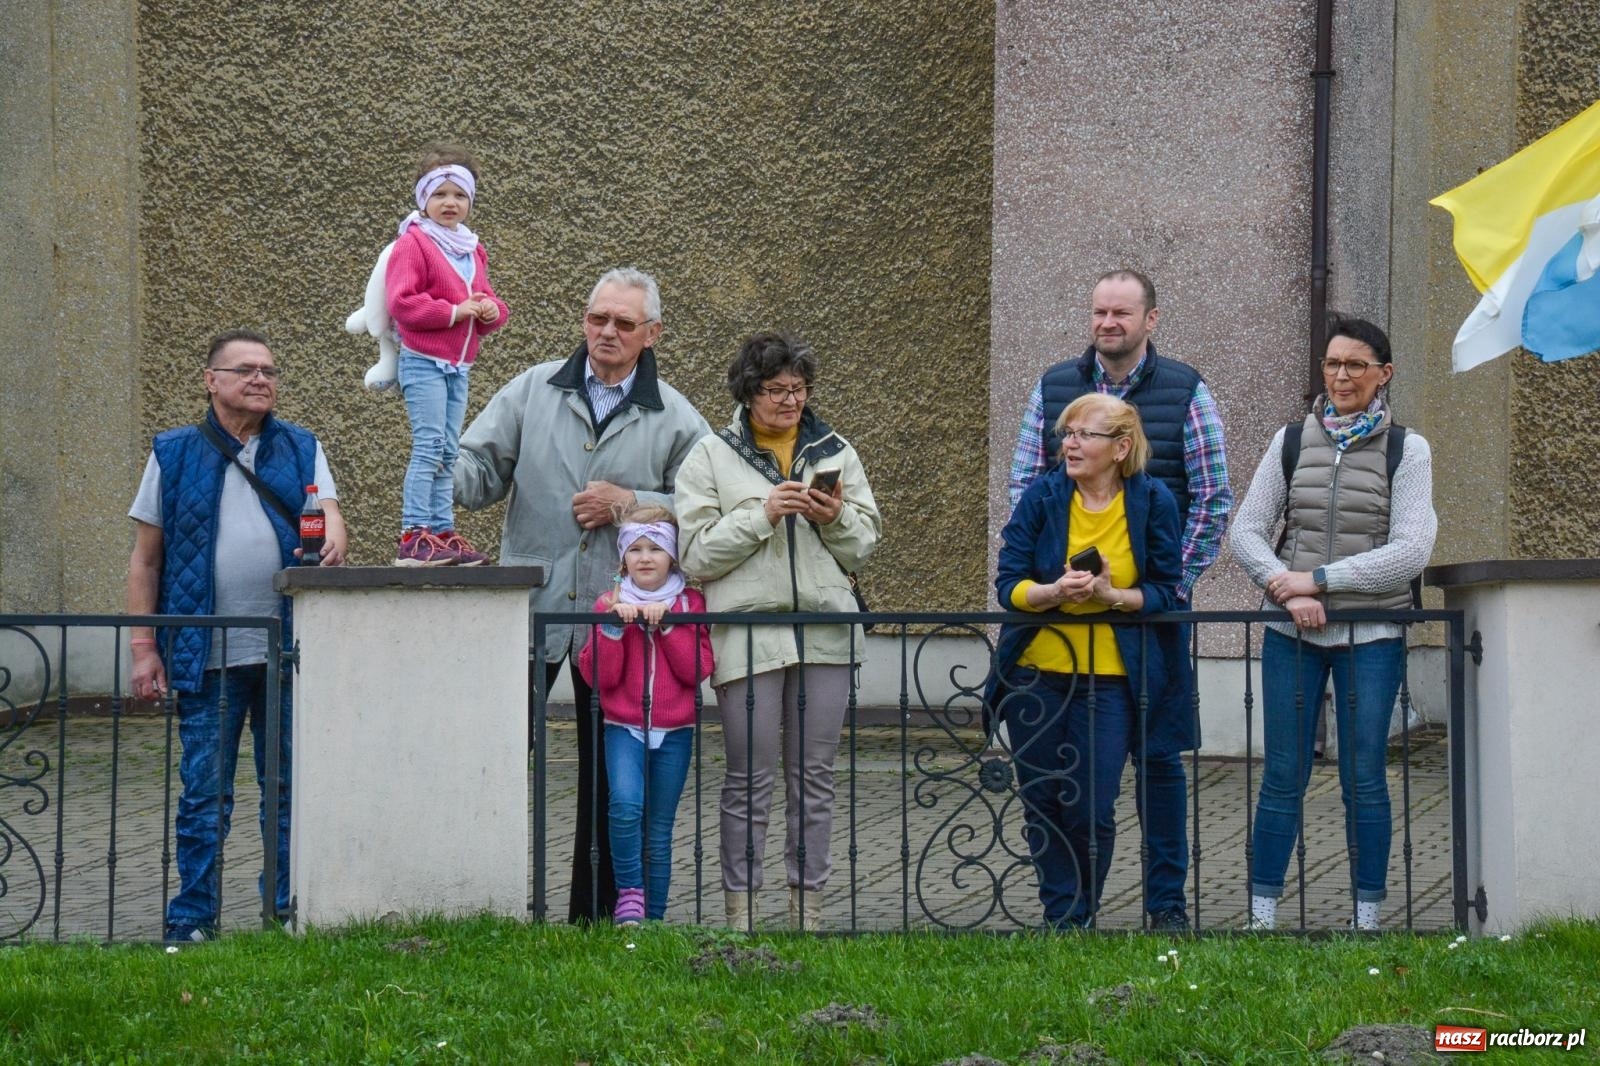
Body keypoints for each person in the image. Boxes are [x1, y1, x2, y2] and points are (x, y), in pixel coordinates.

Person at [454, 267, 710, 923]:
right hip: (531, 610)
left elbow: (708, 505)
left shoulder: (675, 415)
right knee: (495, 759)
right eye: (598, 318)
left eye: (624, 323)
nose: (607, 332)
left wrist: (632, 502)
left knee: (608, 778)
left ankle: (595, 919)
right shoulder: (532, 390)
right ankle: (473, 904)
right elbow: (477, 471)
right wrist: (434, 456)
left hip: (621, 620)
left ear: (652, 334)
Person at [1006, 268, 1231, 931]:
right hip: (1058, 629)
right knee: (1067, 784)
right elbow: (1025, 487)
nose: (1108, 323)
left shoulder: (1185, 389)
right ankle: (1071, 913)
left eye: (1122, 313)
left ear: (1149, 320)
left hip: (1147, 623)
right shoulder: (1055, 386)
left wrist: (1160, 590)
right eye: (1099, 311)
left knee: (1158, 767)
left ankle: (1166, 906)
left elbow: (1211, 498)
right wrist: (1050, 582)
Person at [126, 329, 348, 943]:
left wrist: (334, 541)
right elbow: (146, 560)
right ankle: (193, 920)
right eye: (246, 369)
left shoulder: (301, 446)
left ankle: (284, 914)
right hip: (208, 655)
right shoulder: (173, 453)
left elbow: (330, 515)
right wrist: (144, 648)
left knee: (287, 793)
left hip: (289, 654)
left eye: (269, 371)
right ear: (211, 380)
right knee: (204, 796)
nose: (260, 379)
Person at [1229, 314, 1436, 931]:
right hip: (1291, 634)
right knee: (1282, 774)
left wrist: (1317, 580)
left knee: (1364, 776)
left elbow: (1411, 551)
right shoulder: (1291, 440)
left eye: (1355, 365)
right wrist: (1284, 588)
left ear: (1383, 374)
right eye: (1332, 364)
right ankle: (1261, 917)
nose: (1341, 375)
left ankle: (1365, 919)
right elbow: (1246, 531)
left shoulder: (1408, 450)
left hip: (1371, 636)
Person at [674, 330, 883, 931]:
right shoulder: (710, 455)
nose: (791, 401)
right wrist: (762, 515)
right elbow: (695, 555)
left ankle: (806, 911)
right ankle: (740, 913)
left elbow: (865, 544)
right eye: (776, 390)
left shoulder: (835, 449)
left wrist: (835, 517)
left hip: (825, 629)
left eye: (799, 389)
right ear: (748, 392)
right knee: (748, 776)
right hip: (746, 631)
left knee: (814, 777)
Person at [991, 393, 1190, 930]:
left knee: (1090, 805)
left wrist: (1112, 596)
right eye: (1067, 434)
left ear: (1121, 447)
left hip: (1111, 680)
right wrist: (1052, 592)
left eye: (1084, 434)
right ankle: (1065, 916)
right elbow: (1008, 583)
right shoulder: (1043, 496)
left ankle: (1082, 906)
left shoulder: (1152, 500)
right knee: (1042, 800)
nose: (1070, 444)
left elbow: (1167, 590)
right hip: (1036, 675)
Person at [577, 505, 713, 926]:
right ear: (623, 559)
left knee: (658, 828)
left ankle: (653, 919)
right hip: (624, 727)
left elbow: (696, 669)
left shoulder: (690, 603)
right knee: (624, 806)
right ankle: (631, 896)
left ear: (672, 556)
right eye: (635, 549)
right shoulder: (610, 602)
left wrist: (668, 626)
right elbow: (599, 676)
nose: (645, 557)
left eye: (656, 548)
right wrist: (613, 628)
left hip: (675, 731)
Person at [386, 142, 509, 566]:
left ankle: (441, 531)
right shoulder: (414, 243)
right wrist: (456, 311)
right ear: (423, 198)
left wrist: (491, 311)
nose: (450, 202)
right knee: (429, 445)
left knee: (448, 451)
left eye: (459, 194)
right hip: (423, 360)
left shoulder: (471, 248)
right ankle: (413, 533)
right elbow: (402, 302)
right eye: (439, 194)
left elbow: (488, 300)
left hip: (458, 366)